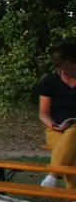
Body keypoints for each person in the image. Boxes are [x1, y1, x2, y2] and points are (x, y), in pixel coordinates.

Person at [35, 39, 76, 187]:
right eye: (59, 69)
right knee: (71, 153)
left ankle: (52, 174)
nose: (62, 72)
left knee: (73, 133)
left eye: (65, 68)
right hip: (56, 130)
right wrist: (53, 125)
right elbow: (43, 113)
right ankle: (74, 200)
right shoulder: (50, 82)